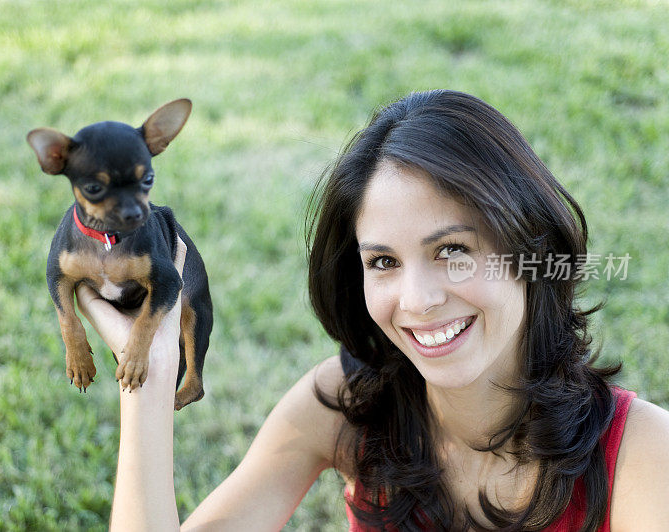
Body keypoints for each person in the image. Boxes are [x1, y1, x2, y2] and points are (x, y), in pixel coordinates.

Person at [75, 90, 669, 531]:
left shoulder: (639, 452)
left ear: (527, 248)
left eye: (452, 251)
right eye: (383, 261)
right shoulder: (344, 405)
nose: (417, 300)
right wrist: (147, 376)